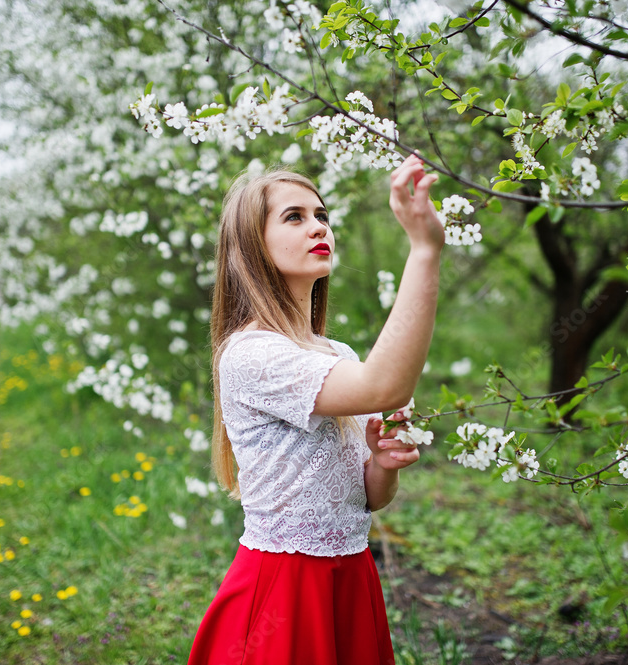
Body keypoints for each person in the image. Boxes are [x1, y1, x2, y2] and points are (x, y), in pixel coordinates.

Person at [188, 153, 444, 665]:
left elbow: (364, 500)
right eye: (294, 217)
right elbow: (384, 386)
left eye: (322, 215)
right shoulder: (252, 353)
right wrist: (424, 250)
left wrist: (382, 466)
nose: (317, 227)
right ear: (250, 245)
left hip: (350, 573)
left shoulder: (336, 354)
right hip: (285, 586)